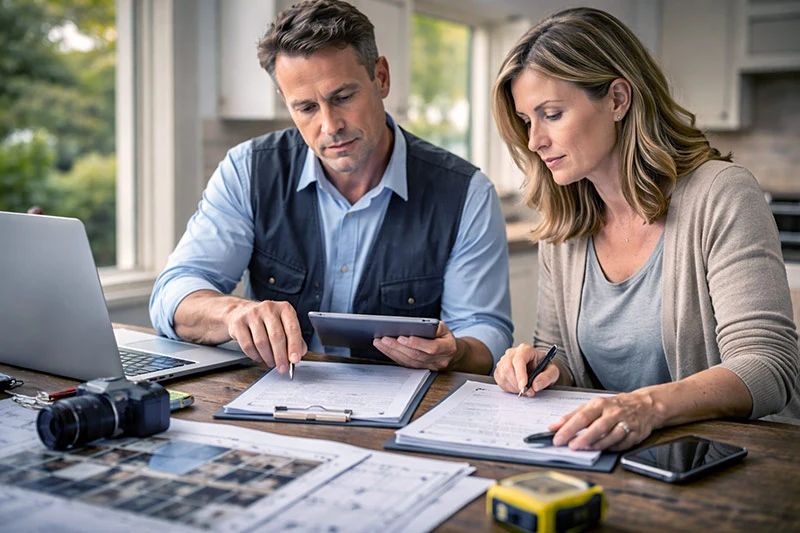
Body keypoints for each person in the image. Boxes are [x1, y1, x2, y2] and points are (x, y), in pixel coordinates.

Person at [491, 7, 799, 452]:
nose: (534, 140)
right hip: (613, 455)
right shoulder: (566, 224)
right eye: (526, 121)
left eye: (552, 114)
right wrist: (543, 367)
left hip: (731, 459)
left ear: (618, 99)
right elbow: (563, 354)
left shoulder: (721, 195)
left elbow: (769, 366)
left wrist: (646, 407)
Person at [149, 0, 513, 375]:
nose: (330, 125)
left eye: (343, 97)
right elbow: (172, 294)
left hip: (406, 404)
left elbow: (486, 330)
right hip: (272, 396)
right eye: (306, 107)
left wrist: (456, 353)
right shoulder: (247, 171)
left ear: (381, 78)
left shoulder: (467, 193)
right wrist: (233, 313)